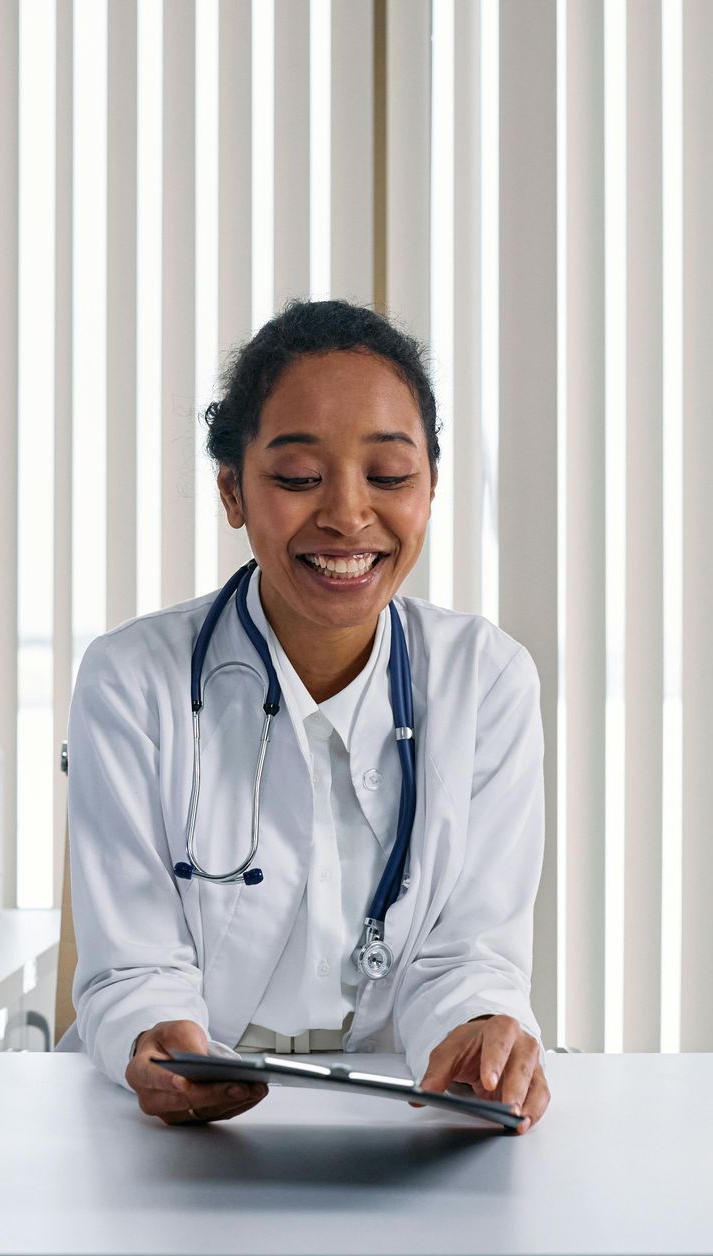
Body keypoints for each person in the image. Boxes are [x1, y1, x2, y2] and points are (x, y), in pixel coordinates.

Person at [64, 299, 551, 1132]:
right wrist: (160, 1041)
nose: (347, 515)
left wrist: (478, 1033)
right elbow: (133, 965)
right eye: (296, 478)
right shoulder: (131, 679)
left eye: (390, 477)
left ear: (430, 489)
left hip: (403, 1114)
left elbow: (469, 952)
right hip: (173, 1132)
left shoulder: (486, 679)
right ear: (233, 491)